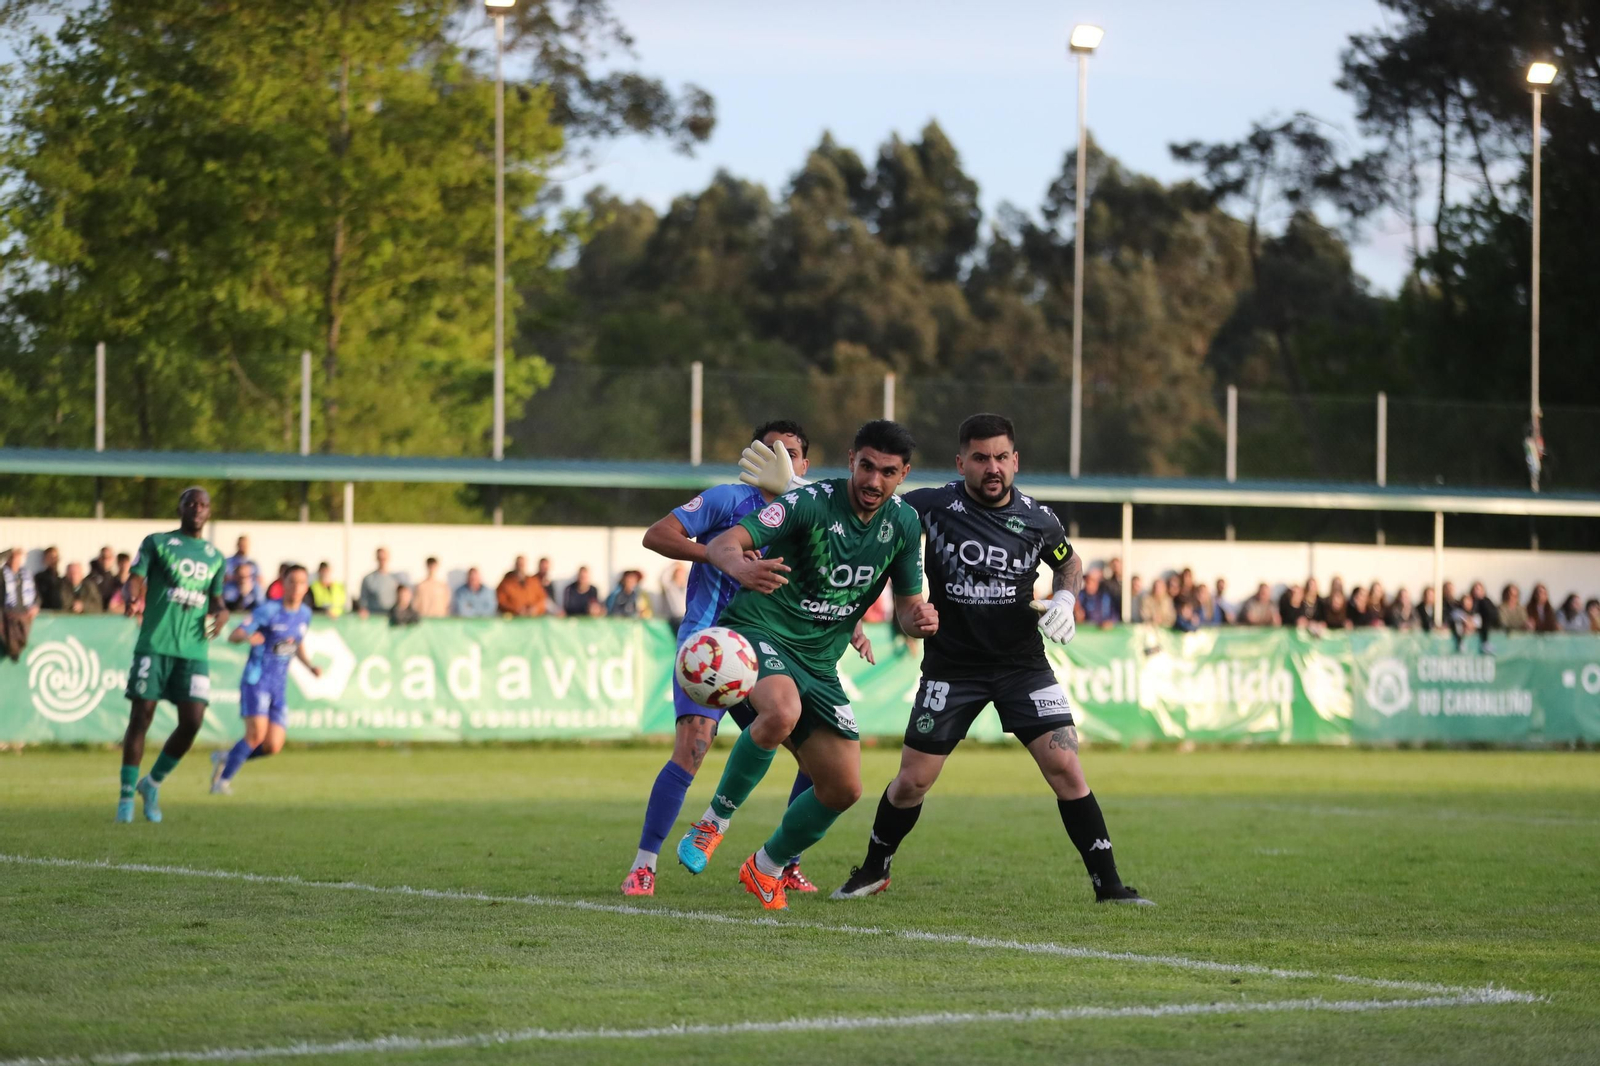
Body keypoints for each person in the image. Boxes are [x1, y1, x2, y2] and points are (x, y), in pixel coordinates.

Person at [829, 414, 1150, 907]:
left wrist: (1065, 600)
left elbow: (1068, 563)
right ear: (961, 463)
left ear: (1015, 460)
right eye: (980, 458)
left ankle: (1109, 885)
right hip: (952, 666)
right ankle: (874, 868)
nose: (992, 467)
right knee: (913, 780)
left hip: (1022, 665)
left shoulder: (1039, 518)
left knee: (1065, 766)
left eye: (1001, 457)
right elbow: (869, 511)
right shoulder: (931, 505)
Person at [675, 419, 936, 911]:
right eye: (865, 466)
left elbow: (905, 609)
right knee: (781, 711)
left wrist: (918, 619)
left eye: (887, 472)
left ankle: (767, 866)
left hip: (820, 661)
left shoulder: (903, 525)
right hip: (761, 631)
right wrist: (741, 566)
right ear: (851, 458)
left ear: (903, 475)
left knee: (843, 788)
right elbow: (726, 542)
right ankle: (713, 821)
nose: (873, 481)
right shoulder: (807, 502)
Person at [623, 420, 848, 899]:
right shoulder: (727, 500)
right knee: (694, 746)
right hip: (711, 644)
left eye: (790, 453)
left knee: (815, 755)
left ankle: (784, 865)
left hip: (771, 649)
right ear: (752, 457)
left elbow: (829, 583)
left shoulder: (813, 514)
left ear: (804, 466)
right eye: (770, 450)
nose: (781, 459)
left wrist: (858, 625)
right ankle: (644, 866)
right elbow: (656, 535)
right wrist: (724, 557)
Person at [116, 487, 229, 824]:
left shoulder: (216, 556)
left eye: (204, 504)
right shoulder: (157, 543)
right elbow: (134, 579)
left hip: (194, 650)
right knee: (141, 718)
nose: (197, 508)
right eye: (191, 502)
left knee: (193, 721)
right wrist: (131, 596)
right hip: (155, 643)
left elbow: (218, 600)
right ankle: (124, 798)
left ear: (209, 512)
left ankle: (151, 783)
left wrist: (222, 615)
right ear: (180, 507)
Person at [211, 565, 321, 794]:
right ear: (284, 583)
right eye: (292, 581)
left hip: (279, 684)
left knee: (273, 746)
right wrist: (248, 635)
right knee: (255, 735)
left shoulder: (305, 614)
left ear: (306, 587)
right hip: (257, 679)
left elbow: (296, 643)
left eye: (302, 582)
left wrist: (309, 666)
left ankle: (228, 757)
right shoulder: (268, 610)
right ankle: (222, 782)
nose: (297, 587)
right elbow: (235, 635)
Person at [2, 547, 39, 661]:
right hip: (7, 615)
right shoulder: (2, 575)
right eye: (12, 559)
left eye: (18, 560)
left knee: (22, 640)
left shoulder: (26, 575)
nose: (15, 562)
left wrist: (35, 605)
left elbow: (36, 595)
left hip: (24, 615)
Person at [357, 548, 399, 619]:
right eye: (380, 558)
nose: (382, 561)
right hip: (373, 617)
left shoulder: (395, 578)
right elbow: (363, 600)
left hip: (390, 617)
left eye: (384, 558)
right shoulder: (368, 579)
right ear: (376, 558)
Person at [224, 536, 257, 602]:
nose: (244, 547)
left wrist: (248, 581)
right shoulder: (228, 561)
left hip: (249, 587)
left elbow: (260, 579)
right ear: (238, 545)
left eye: (246, 545)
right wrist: (238, 578)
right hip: (232, 586)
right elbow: (222, 577)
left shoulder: (252, 563)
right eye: (242, 545)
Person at [660, 562, 689, 631]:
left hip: (686, 617)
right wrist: (673, 565)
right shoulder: (670, 586)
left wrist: (683, 566)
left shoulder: (687, 587)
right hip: (675, 618)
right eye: (679, 573)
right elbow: (662, 577)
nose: (681, 575)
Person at [34, 547, 64, 611]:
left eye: (56, 557)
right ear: (45, 559)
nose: (54, 560)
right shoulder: (39, 578)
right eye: (51, 557)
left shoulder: (61, 580)